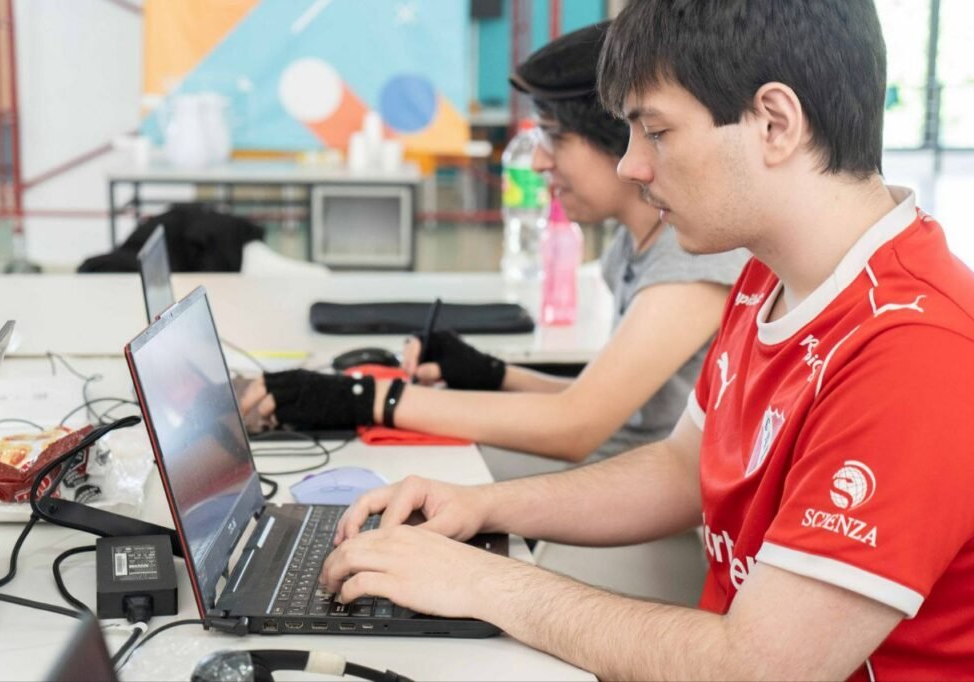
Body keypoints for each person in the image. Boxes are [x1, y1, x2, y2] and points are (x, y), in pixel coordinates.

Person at [315, 2, 974, 679]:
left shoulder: (917, 350)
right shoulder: (769, 275)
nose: (630, 165)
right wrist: (481, 505)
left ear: (775, 124)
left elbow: (757, 668)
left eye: (655, 132)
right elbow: (682, 467)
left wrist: (480, 582)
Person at [240, 22, 748, 462]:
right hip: (609, 470)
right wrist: (491, 373)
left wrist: (368, 397)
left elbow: (576, 425)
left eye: (556, 137)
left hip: (636, 505)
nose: (540, 161)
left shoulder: (692, 260)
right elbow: (597, 399)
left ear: (618, 135)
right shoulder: (633, 244)